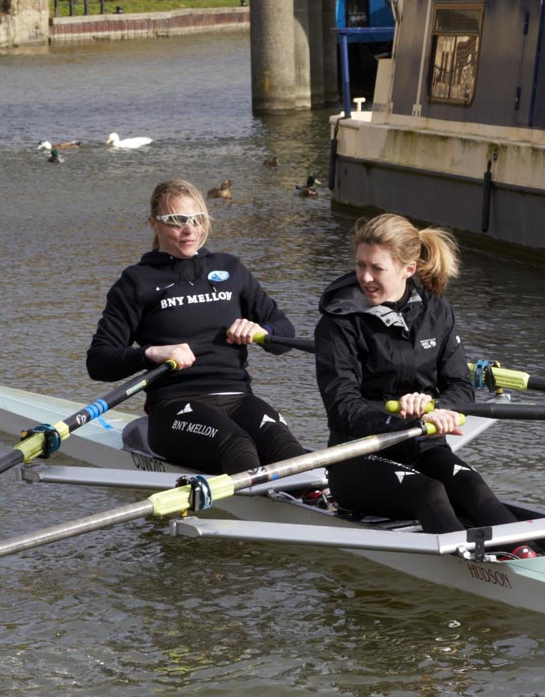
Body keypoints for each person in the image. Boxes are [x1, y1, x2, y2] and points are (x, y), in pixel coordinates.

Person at [314, 213, 519, 534]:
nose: (365, 277)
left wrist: (440, 408)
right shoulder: (338, 322)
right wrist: (404, 416)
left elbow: (460, 387)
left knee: (473, 487)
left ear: (409, 269)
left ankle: (528, 556)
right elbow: (342, 409)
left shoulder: (436, 311)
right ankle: (476, 575)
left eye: (377, 268)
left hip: (422, 447)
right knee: (430, 492)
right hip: (359, 454)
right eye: (360, 265)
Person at [86, 179, 305, 474]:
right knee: (238, 446)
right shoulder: (137, 282)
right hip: (174, 406)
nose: (189, 229)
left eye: (196, 219)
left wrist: (262, 332)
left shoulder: (231, 269)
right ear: (153, 223)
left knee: (288, 449)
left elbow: (285, 333)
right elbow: (99, 362)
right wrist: (152, 353)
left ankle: (312, 496)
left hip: (239, 398)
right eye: (176, 220)